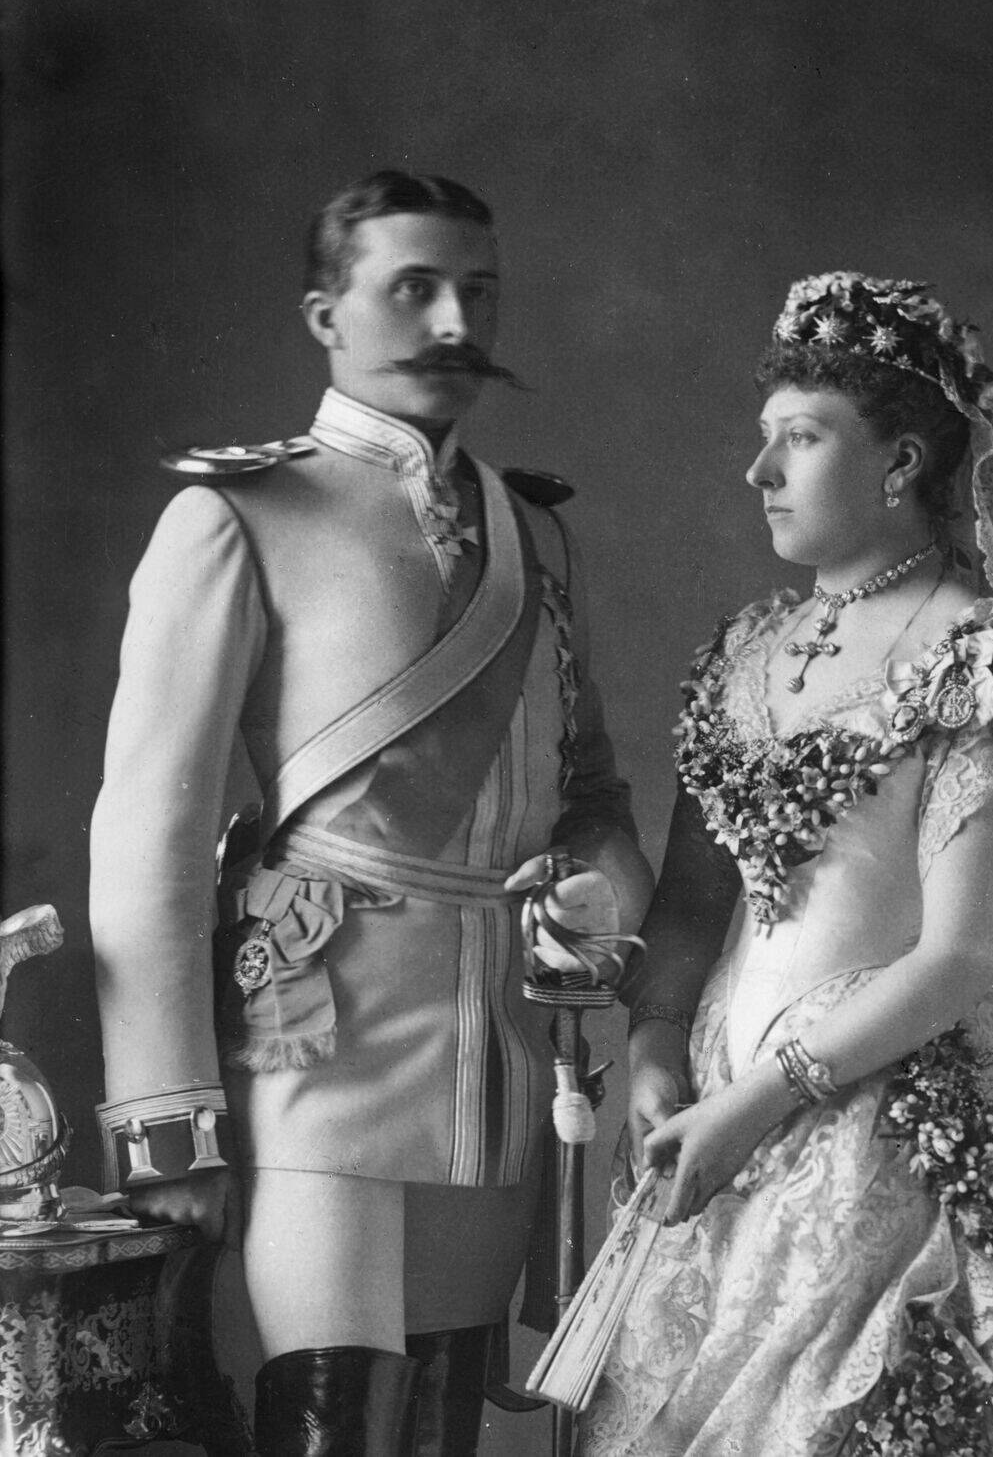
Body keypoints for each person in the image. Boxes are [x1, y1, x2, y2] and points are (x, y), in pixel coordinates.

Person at [579, 273, 993, 1455]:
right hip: (715, 1102)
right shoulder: (744, 652)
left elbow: (957, 956)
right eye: (764, 435)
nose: (758, 470)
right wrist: (655, 1043)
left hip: (877, 1109)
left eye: (802, 438)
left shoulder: (973, 654)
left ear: (901, 461)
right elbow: (694, 901)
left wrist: (758, 1104)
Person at [89, 170, 653, 1456]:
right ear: (325, 315)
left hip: (492, 1062)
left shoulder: (534, 534)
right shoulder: (237, 516)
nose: (456, 321)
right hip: (316, 1051)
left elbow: (596, 796)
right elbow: (148, 836)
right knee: (331, 1418)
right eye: (415, 288)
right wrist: (169, 1124)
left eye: (479, 293)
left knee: (443, 1425)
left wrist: (597, 892)